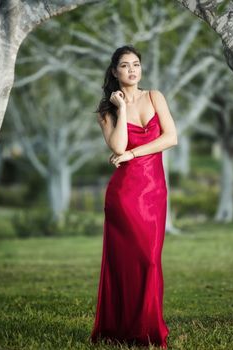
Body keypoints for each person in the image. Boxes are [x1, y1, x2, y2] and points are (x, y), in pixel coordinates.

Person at [90, 44, 178, 349]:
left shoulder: (155, 97)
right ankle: (125, 329)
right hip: (124, 195)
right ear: (115, 71)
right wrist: (123, 108)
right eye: (125, 65)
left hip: (154, 191)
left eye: (137, 64)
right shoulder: (106, 111)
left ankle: (148, 328)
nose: (132, 70)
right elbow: (117, 147)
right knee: (126, 263)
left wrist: (134, 153)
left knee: (150, 260)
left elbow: (171, 137)